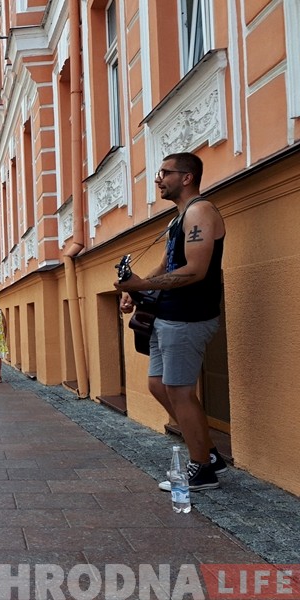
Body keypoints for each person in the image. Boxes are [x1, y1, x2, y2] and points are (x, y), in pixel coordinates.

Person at [115, 152, 227, 492]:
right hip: (168, 315)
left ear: (187, 177)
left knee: (179, 390)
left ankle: (202, 470)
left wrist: (140, 285)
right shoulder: (178, 219)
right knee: (158, 385)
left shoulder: (200, 211)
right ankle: (208, 452)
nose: (158, 178)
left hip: (188, 316)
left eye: (165, 172)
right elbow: (167, 264)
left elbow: (195, 270)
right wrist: (135, 292)